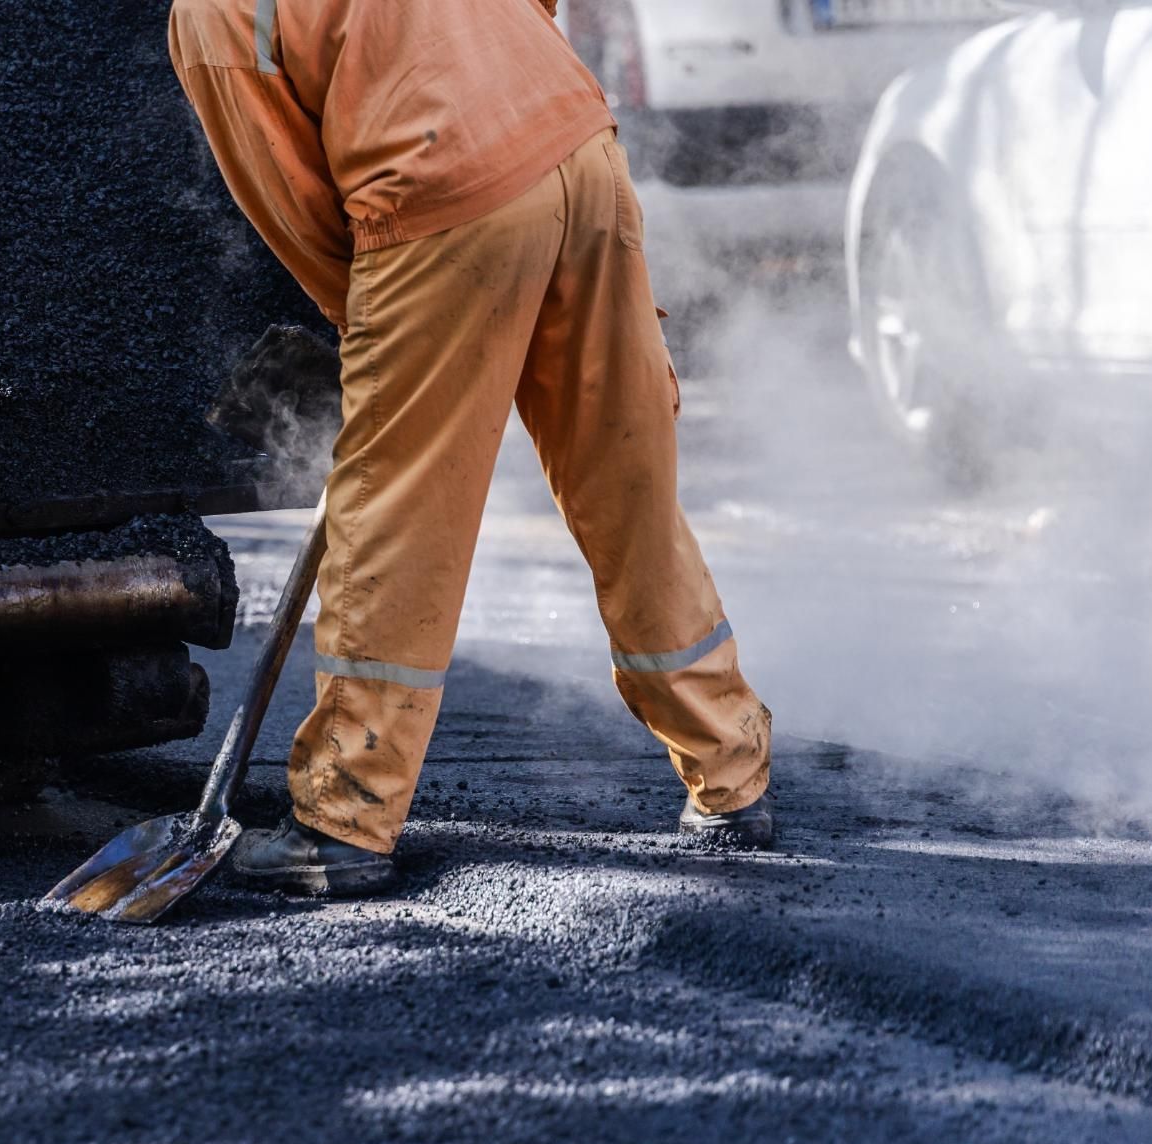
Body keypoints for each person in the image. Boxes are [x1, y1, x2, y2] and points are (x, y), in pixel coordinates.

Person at [169, 0, 774, 896]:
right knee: (627, 487)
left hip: (437, 190)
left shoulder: (211, 12)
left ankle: (343, 818)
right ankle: (732, 777)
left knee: (397, 514)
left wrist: (368, 330)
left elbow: (286, 194)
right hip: (579, 151)